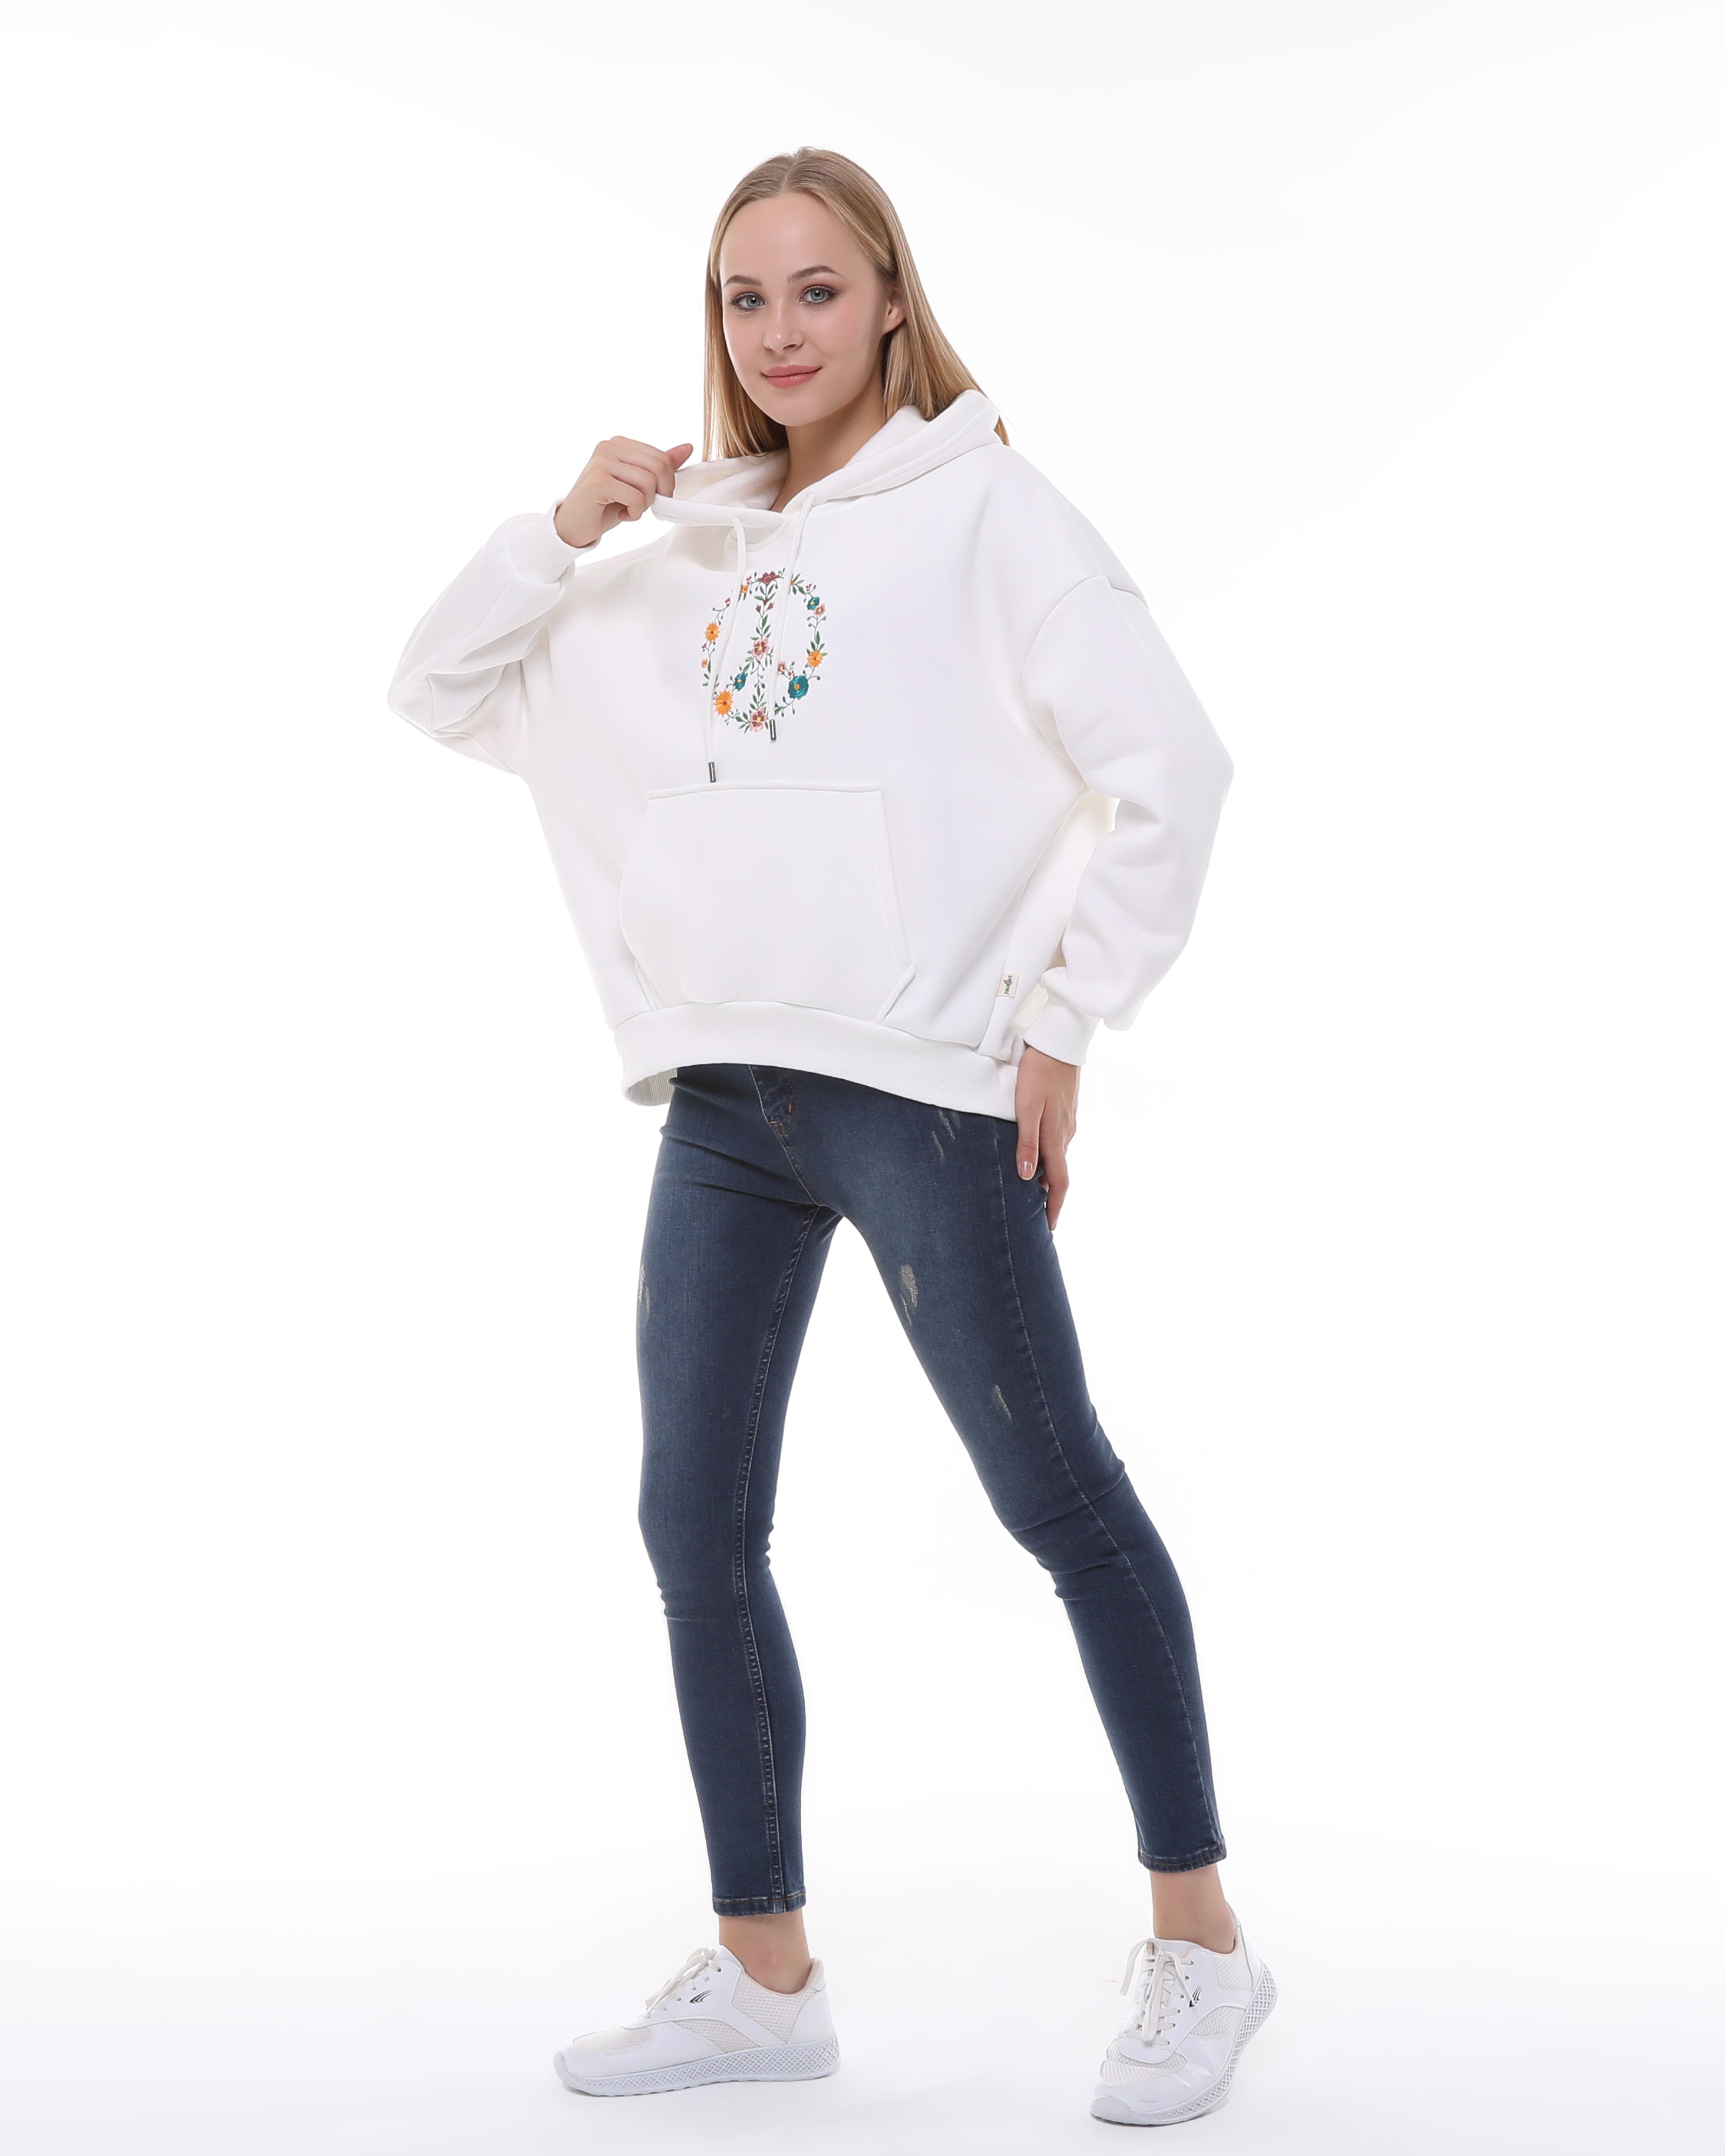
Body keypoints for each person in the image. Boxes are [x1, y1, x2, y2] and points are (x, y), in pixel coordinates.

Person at [387, 144, 1272, 2128]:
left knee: (1060, 1500)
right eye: (742, 297)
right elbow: (438, 684)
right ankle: (766, 1969)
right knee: (690, 1524)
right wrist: (561, 529)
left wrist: (1062, 1021)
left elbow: (1174, 765)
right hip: (725, 1099)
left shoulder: (991, 513)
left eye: (814, 290)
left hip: (924, 1090)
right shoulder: (678, 553)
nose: (777, 331)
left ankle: (1205, 1941)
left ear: (888, 299)